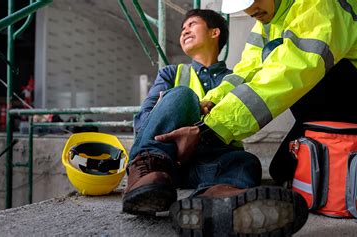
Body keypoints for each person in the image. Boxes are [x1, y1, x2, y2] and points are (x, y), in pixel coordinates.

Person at [153, 0, 357, 235]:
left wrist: (210, 130)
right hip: (327, 87)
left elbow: (288, 74)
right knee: (281, 169)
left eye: (253, 2)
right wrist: (211, 101)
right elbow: (246, 72)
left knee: (278, 58)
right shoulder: (265, 21)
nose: (250, 11)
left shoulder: (317, 5)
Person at [123, 8, 308, 236]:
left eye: (191, 24)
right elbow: (146, 116)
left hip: (212, 163)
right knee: (182, 96)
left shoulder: (236, 78)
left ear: (215, 32)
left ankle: (215, 201)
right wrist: (186, 108)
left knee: (245, 160)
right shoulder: (172, 73)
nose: (184, 31)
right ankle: (145, 174)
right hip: (167, 161)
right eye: (182, 28)